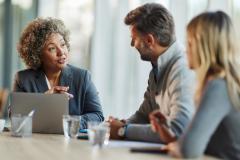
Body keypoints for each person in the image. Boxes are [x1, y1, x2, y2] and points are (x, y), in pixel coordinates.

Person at [150, 11, 240, 159]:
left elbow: (188, 151)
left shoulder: (218, 87)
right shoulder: (222, 84)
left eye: (190, 43)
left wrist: (180, 147)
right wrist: (171, 137)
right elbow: (203, 146)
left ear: (205, 47)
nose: (186, 50)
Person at [109, 3, 195, 143]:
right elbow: (144, 115)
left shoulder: (182, 70)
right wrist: (120, 125)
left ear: (149, 40)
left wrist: (123, 131)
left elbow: (177, 130)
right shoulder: (157, 68)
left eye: (134, 38)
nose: (132, 44)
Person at [13, 17, 104, 129]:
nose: (61, 52)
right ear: (38, 55)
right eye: (52, 48)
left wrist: (68, 123)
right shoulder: (23, 79)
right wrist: (44, 99)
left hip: (70, 143)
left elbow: (97, 115)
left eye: (62, 44)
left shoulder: (82, 77)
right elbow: (15, 118)